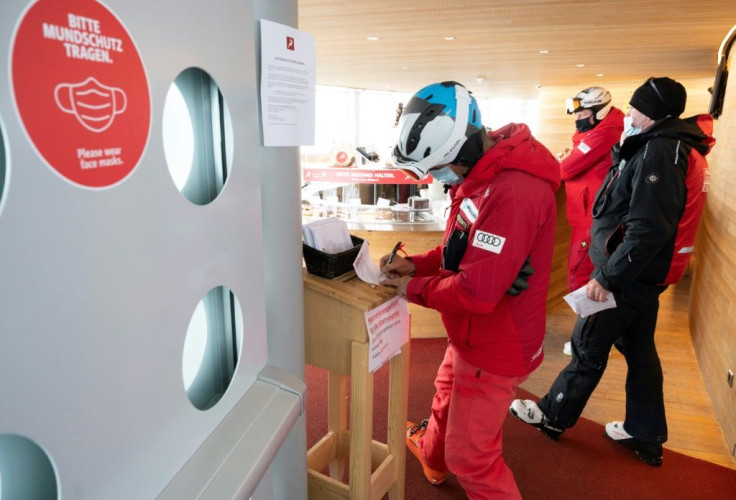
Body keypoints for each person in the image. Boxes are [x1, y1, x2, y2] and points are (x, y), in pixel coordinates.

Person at [510, 77, 715, 467]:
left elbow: (649, 228)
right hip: (642, 274)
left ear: (652, 113)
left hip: (626, 275)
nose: (630, 114)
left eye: (636, 108)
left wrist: (607, 278)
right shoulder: (665, 146)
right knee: (639, 351)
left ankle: (553, 416)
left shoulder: (661, 151)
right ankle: (646, 432)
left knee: (587, 342)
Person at [381, 81, 561, 498]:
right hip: (470, 334)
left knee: (472, 459)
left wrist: (413, 288)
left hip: (495, 344)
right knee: (446, 394)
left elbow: (477, 292)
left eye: (441, 169)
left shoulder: (513, 191)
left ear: (462, 149)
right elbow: (460, 250)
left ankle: (448, 460)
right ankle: (432, 456)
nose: (438, 179)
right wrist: (418, 264)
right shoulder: (483, 176)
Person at [559, 87, 624, 355]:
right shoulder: (600, 130)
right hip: (588, 213)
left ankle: (587, 340)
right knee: (585, 275)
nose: (578, 118)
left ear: (600, 112)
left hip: (592, 217)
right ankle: (592, 335)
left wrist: (564, 160)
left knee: (583, 277)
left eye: (583, 113)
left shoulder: (603, 134)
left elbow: (566, 168)